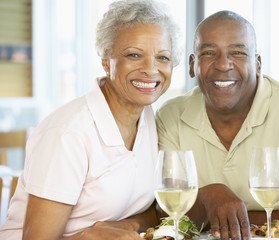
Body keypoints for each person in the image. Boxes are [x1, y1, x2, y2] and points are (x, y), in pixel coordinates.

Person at [155, 10, 279, 240]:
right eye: (209, 52)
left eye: (238, 52)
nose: (223, 64)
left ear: (258, 64)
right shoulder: (170, 115)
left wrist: (234, 220)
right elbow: (168, 215)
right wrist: (206, 196)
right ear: (193, 65)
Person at [0, 0, 181, 239]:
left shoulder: (147, 118)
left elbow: (149, 210)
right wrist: (89, 237)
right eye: (134, 55)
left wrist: (127, 226)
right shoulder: (68, 133)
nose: (151, 69)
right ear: (106, 60)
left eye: (163, 57)